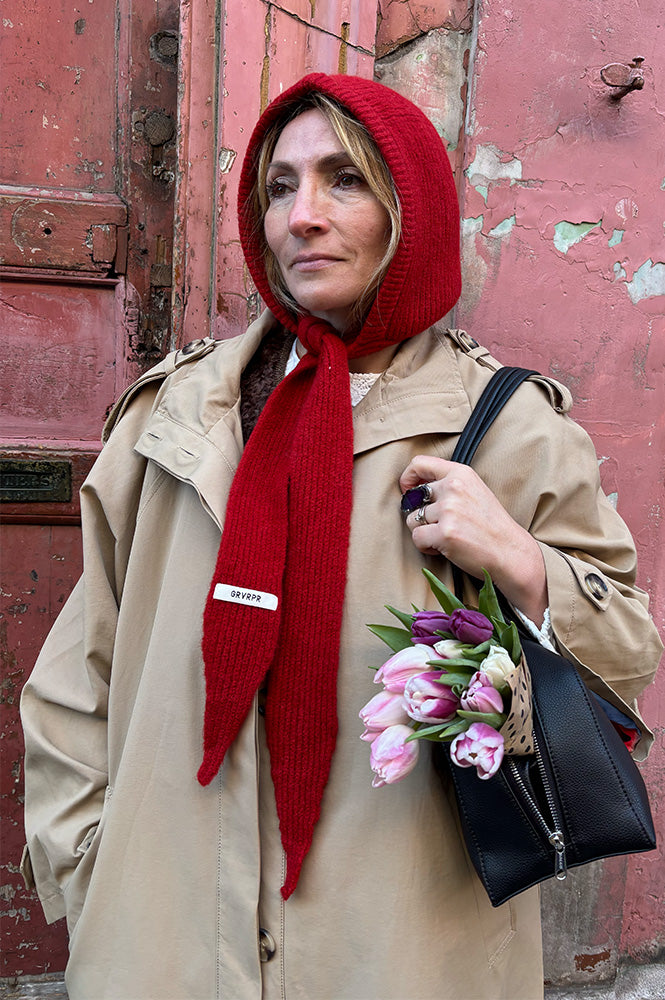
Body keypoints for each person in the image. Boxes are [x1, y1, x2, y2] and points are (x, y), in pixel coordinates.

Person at [20, 73, 661, 1000]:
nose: (302, 216)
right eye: (279, 187)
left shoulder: (508, 428)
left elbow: (625, 660)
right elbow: (83, 671)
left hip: (402, 952)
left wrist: (520, 562)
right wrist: (90, 869)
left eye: (343, 181)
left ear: (413, 213)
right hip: (163, 944)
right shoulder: (175, 418)